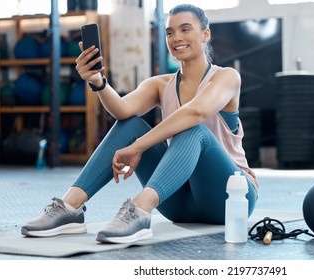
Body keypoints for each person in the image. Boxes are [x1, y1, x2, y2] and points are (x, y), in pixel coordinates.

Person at [21, 4, 259, 244]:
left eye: (185, 29)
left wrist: (138, 147)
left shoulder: (226, 77)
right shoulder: (160, 84)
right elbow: (122, 110)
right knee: (130, 125)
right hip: (178, 203)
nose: (176, 38)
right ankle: (70, 207)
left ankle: (139, 210)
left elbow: (196, 112)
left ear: (205, 34)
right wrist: (98, 81)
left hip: (230, 197)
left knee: (192, 130)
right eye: (169, 32)